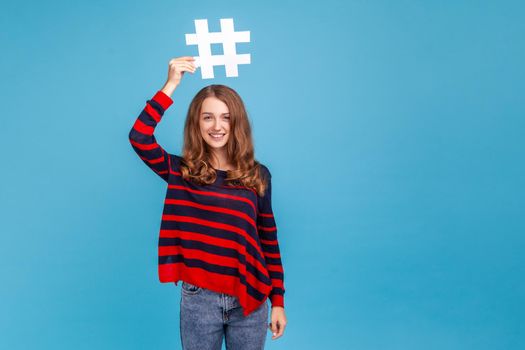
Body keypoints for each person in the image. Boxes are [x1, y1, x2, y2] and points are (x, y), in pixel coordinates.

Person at [128, 56, 287, 349]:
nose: (217, 126)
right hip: (199, 299)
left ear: (236, 122)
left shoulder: (257, 176)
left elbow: (269, 240)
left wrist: (278, 300)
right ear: (196, 123)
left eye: (225, 117)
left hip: (249, 296)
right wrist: (171, 84)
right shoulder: (180, 170)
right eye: (208, 117)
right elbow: (139, 137)